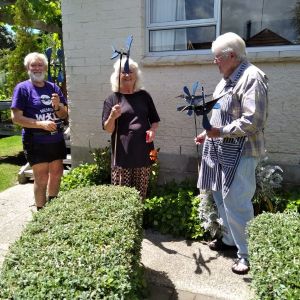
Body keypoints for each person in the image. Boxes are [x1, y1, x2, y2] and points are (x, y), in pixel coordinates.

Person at [195, 32, 268, 275]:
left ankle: (247, 254)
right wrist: (208, 134)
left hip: (242, 151)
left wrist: (220, 131)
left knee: (236, 201)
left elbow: (253, 121)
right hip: (220, 150)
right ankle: (229, 241)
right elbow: (219, 113)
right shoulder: (226, 80)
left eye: (217, 57)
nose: (215, 62)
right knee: (219, 197)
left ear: (231, 56)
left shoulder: (251, 77)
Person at [11, 52, 68, 210]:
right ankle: (41, 212)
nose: (37, 68)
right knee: (41, 178)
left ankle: (53, 208)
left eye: (40, 65)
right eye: (33, 65)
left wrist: (57, 106)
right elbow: (16, 117)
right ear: (28, 68)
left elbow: (64, 114)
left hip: (56, 139)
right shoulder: (22, 89)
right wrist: (40, 124)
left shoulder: (53, 87)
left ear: (45, 67)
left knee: (57, 174)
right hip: (35, 141)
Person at [102, 57, 160, 200]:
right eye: (123, 72)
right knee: (121, 197)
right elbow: (108, 129)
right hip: (122, 155)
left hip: (144, 151)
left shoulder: (144, 96)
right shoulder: (112, 99)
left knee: (141, 193)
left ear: (136, 75)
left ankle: (139, 221)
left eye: (131, 71)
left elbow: (155, 120)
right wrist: (112, 117)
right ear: (117, 76)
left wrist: (152, 130)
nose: (127, 75)